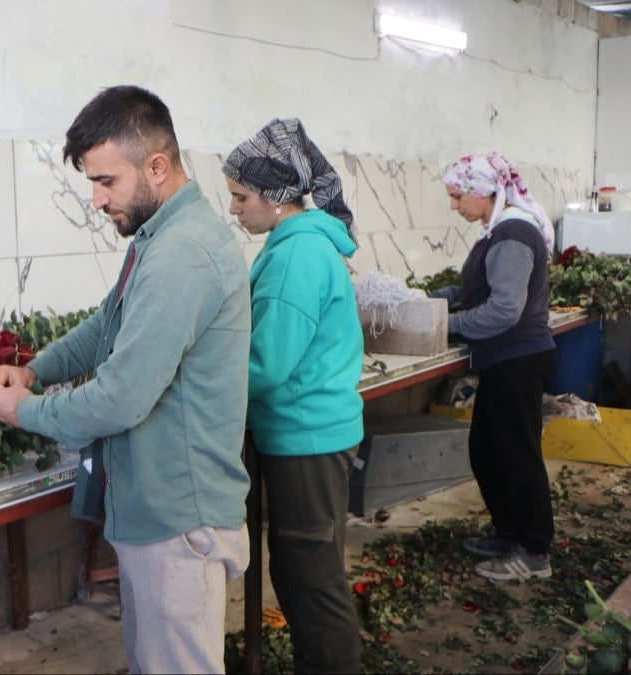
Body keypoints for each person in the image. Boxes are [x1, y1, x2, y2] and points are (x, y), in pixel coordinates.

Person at [0, 85, 252, 674]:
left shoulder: (183, 253)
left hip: (178, 513)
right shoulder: (158, 240)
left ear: (156, 166)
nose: (98, 200)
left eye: (108, 181)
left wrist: (24, 411)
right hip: (154, 504)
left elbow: (122, 396)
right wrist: (35, 368)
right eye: (92, 183)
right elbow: (104, 325)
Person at [221, 117, 364, 674]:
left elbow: (265, 363)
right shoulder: (301, 243)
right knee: (305, 568)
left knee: (312, 581)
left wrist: (200, 386)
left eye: (241, 197)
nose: (235, 210)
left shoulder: (296, 255)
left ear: (277, 198)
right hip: (311, 433)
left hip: (304, 438)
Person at [434, 152, 557, 581]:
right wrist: (437, 300)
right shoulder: (498, 229)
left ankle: (534, 551)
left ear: (481, 190)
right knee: (488, 451)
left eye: (456, 196)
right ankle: (510, 533)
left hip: (517, 358)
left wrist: (445, 326)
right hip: (505, 359)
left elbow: (505, 309)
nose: (454, 206)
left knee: (516, 455)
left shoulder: (510, 233)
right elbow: (479, 287)